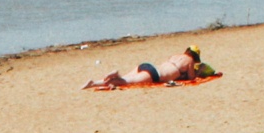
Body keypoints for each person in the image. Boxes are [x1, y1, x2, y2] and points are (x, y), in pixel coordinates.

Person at [84, 46, 217, 90]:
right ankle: (114, 76)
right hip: (155, 75)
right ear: (195, 57)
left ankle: (93, 83)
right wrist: (199, 71)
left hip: (148, 66)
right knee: (125, 82)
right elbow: (191, 78)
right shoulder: (189, 62)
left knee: (125, 79)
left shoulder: (176, 56)